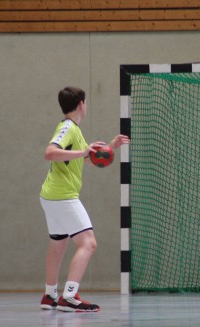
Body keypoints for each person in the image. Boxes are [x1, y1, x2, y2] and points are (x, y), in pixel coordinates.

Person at [39, 86, 130, 312]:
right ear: (81, 103)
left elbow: (85, 160)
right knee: (88, 243)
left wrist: (110, 147)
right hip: (62, 196)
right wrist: (82, 152)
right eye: (86, 102)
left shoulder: (75, 131)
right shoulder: (68, 127)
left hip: (51, 195)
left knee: (58, 245)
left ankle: (50, 295)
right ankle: (69, 297)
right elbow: (50, 152)